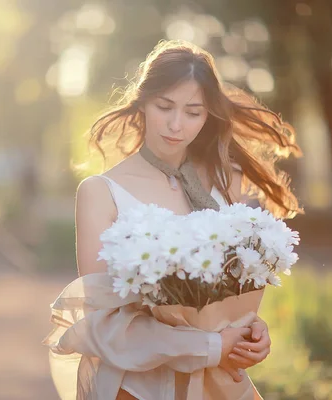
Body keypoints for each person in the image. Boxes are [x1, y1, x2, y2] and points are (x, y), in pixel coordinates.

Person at [44, 39, 302, 400]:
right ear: (143, 102)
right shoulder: (100, 192)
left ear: (208, 114)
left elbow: (230, 290)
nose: (176, 125)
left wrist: (251, 332)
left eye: (193, 112)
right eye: (165, 106)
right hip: (135, 387)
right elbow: (104, 323)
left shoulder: (226, 179)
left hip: (216, 383)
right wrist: (210, 345)